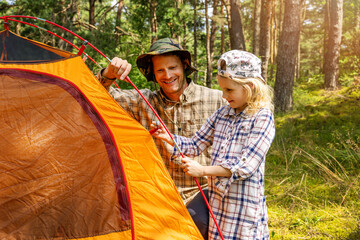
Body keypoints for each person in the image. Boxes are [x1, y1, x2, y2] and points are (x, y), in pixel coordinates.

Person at [97, 38, 225, 238]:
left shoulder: (216, 100)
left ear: (184, 66)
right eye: (160, 71)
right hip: (158, 194)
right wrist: (108, 74)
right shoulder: (143, 101)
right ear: (153, 74)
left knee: (195, 224)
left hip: (202, 191)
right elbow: (99, 98)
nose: (167, 75)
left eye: (172, 67)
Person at [150, 50, 276, 239]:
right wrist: (168, 136)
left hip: (243, 206)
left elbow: (246, 166)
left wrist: (202, 171)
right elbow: (194, 144)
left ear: (250, 86)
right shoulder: (222, 114)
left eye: (229, 90)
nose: (224, 96)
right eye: (223, 89)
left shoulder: (262, 117)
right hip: (219, 203)